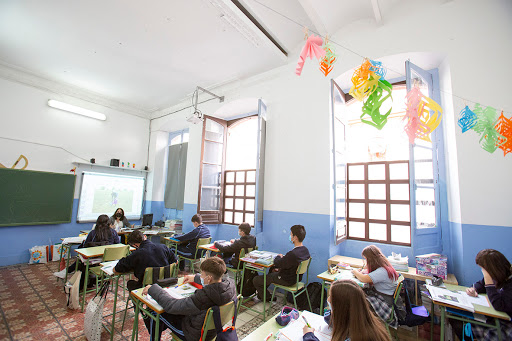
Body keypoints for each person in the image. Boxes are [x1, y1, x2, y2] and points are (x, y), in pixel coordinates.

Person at [142, 257, 237, 341]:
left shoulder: (203, 297)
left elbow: (172, 305)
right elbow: (215, 282)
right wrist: (195, 278)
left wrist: (153, 289)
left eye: (202, 274)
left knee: (156, 312)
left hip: (193, 334)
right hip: (213, 330)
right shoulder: (230, 288)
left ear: (209, 278)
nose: (201, 276)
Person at [451, 249, 512, 340]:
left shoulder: (509, 283)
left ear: (493, 269)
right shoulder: (497, 276)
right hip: (491, 317)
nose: (483, 272)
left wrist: (489, 282)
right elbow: (480, 284)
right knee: (455, 316)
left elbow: (499, 305)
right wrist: (474, 289)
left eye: (483, 269)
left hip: (506, 323)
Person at [303, 279, 390, 341]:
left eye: (331, 297)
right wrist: (335, 313)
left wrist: (308, 335)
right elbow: (329, 319)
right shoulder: (361, 318)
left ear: (342, 307)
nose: (328, 299)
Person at [53, 214, 120, 285]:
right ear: (108, 222)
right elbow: (118, 244)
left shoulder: (93, 233)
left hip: (94, 260)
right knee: (81, 261)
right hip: (109, 261)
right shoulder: (113, 232)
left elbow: (85, 247)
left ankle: (66, 272)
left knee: (80, 260)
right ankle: (67, 272)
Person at [253, 224, 310, 302]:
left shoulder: (292, 254)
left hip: (287, 280)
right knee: (272, 270)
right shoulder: (305, 250)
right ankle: (263, 295)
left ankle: (266, 297)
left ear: (295, 238)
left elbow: (277, 263)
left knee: (256, 279)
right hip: (296, 278)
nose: (290, 237)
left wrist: (279, 256)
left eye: (291, 235)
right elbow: (289, 264)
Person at [351, 244, 404, 328]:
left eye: (366, 259)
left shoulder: (382, 271)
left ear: (370, 259)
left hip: (385, 302)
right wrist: (364, 271)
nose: (365, 261)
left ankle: (359, 326)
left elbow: (364, 279)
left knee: (356, 301)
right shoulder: (385, 266)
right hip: (386, 297)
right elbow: (369, 273)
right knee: (359, 295)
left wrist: (355, 271)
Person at [113, 230, 178, 291]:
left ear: (134, 245)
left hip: (146, 288)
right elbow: (176, 262)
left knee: (130, 283)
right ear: (145, 237)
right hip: (165, 284)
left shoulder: (136, 254)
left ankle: (138, 301)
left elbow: (117, 269)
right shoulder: (163, 247)